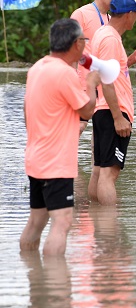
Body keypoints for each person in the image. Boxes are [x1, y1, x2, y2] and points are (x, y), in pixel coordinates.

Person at [20, 18, 100, 255]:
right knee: (62, 221)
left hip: (36, 158)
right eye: (84, 41)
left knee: (36, 221)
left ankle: (34, 277)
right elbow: (86, 110)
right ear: (77, 44)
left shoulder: (37, 67)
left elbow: (26, 114)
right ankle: (55, 288)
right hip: (56, 163)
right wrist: (91, 83)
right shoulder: (65, 73)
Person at [88, 0, 136, 205]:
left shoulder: (104, 34)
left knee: (98, 171)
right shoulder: (110, 39)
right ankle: (109, 231)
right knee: (109, 174)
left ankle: (98, 224)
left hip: (102, 110)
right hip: (112, 111)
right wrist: (118, 117)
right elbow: (106, 81)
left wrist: (130, 60)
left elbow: (112, 72)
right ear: (129, 14)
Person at [71, 0, 123, 133]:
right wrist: (72, 82)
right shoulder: (81, 14)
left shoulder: (111, 19)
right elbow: (70, 50)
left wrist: (132, 58)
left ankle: (97, 159)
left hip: (104, 86)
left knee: (101, 133)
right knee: (78, 127)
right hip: (83, 84)